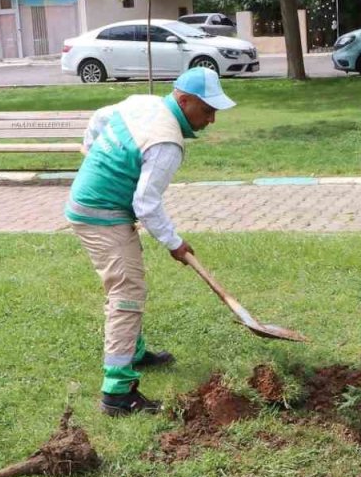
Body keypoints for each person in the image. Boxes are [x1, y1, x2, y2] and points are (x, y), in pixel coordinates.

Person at [65, 67, 235, 417]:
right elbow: (146, 204)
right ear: (183, 100)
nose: (212, 120)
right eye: (207, 110)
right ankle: (118, 392)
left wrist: (90, 153)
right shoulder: (166, 143)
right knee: (126, 294)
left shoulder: (143, 103)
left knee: (129, 282)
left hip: (96, 207)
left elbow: (99, 117)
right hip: (101, 214)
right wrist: (174, 243)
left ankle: (134, 352)